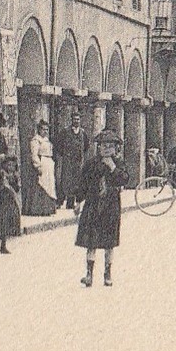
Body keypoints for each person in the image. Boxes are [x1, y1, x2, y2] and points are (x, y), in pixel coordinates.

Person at [75, 129, 132, 287]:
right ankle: (89, 274)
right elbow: (83, 183)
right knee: (91, 241)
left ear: (116, 148)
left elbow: (125, 179)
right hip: (93, 204)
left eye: (110, 146)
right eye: (103, 146)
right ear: (98, 148)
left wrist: (113, 167)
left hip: (111, 205)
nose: (106, 149)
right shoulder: (91, 164)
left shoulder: (119, 164)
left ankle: (107, 274)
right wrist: (79, 200)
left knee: (109, 242)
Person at [54, 110, 86, 212]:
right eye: (74, 119)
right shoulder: (65, 131)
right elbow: (58, 143)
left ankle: (71, 203)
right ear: (71, 120)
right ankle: (60, 201)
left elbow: (86, 145)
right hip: (68, 160)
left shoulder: (82, 132)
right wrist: (64, 154)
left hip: (78, 161)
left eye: (78, 119)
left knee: (76, 181)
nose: (76, 121)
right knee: (65, 180)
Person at [26, 118, 58, 216]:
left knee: (49, 186)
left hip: (48, 164)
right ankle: (38, 209)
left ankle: (48, 209)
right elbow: (34, 154)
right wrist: (38, 165)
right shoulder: (36, 140)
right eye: (43, 129)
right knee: (41, 185)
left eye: (47, 129)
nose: (45, 131)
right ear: (39, 130)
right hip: (42, 163)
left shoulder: (47, 140)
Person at [0, 155, 22, 254]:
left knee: (6, 225)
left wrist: (17, 180)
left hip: (9, 202)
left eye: (12, 165)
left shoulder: (13, 176)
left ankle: (3, 245)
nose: (10, 167)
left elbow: (16, 189)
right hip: (0, 202)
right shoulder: (1, 175)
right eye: (8, 165)